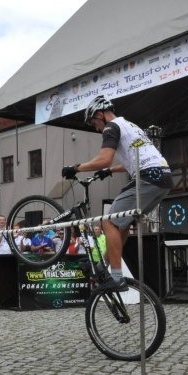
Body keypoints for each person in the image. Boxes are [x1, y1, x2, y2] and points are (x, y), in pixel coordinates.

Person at [62, 96, 172, 292]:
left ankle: (117, 278)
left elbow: (104, 158)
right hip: (163, 179)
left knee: (109, 221)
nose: (96, 128)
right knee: (122, 224)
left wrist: (76, 168)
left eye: (94, 123)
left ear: (99, 114)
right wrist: (110, 171)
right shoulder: (130, 126)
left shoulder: (111, 127)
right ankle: (101, 265)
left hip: (147, 178)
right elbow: (135, 158)